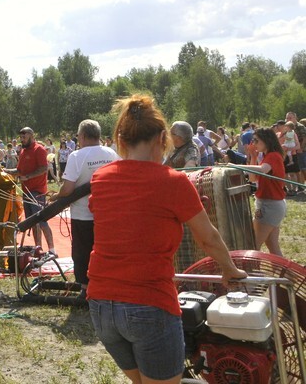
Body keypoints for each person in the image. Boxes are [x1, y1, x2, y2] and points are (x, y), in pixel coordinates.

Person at [87, 94, 247, 384]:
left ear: (121, 139)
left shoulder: (100, 178)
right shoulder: (173, 181)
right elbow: (208, 239)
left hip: (101, 305)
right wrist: (230, 269)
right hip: (149, 303)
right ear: (163, 138)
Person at [54, 119, 118, 294]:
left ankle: (85, 287)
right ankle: (107, 284)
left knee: (82, 252)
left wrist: (56, 196)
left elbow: (67, 189)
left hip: (82, 214)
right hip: (107, 214)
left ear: (81, 136)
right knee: (106, 250)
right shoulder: (111, 154)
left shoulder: (77, 156)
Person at [230, 127, 287, 256]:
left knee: (253, 245)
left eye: (256, 140)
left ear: (266, 140)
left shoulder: (273, 156)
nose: (253, 143)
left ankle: (251, 268)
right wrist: (253, 156)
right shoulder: (267, 157)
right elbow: (252, 178)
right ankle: (282, 270)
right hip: (270, 204)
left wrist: (236, 166)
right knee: (273, 246)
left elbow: (262, 170)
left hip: (270, 206)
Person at [12, 126, 56, 254]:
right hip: (26, 192)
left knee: (41, 221)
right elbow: (19, 170)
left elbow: (43, 168)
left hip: (37, 192)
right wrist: (4, 170)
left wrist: (28, 176)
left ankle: (52, 250)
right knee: (32, 222)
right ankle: (38, 249)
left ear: (31, 136)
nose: (21, 139)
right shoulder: (23, 151)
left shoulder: (39, 149)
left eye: (24, 137)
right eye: (20, 137)